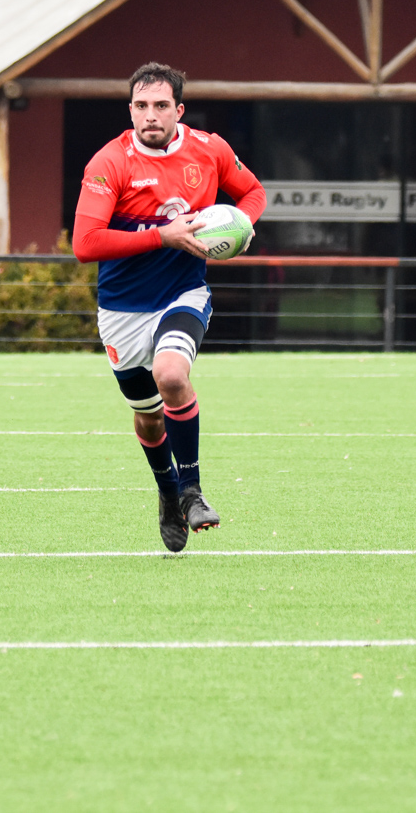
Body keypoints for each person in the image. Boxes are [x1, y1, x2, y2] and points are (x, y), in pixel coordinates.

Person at [72, 62, 266, 553]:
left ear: (179, 110)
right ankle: (167, 491)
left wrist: (241, 225)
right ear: (130, 110)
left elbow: (253, 192)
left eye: (161, 106)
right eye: (141, 106)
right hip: (121, 309)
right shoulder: (108, 163)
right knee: (149, 417)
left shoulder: (210, 149)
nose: (150, 116)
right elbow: (85, 243)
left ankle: (194, 492)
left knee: (173, 376)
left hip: (183, 294)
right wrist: (164, 235)